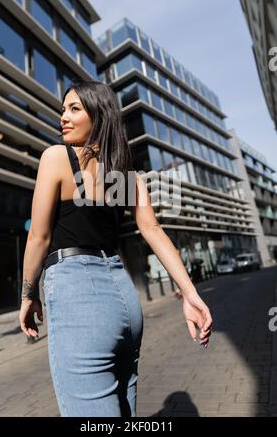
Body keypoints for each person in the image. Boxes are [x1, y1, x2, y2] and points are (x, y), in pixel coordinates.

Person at [19, 80, 212, 418]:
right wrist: (190, 293)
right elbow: (152, 230)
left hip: (80, 299)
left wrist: (27, 294)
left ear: (99, 114)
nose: (63, 117)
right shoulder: (127, 176)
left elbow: (38, 236)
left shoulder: (55, 157)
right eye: (63, 110)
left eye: (74, 109)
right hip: (124, 301)